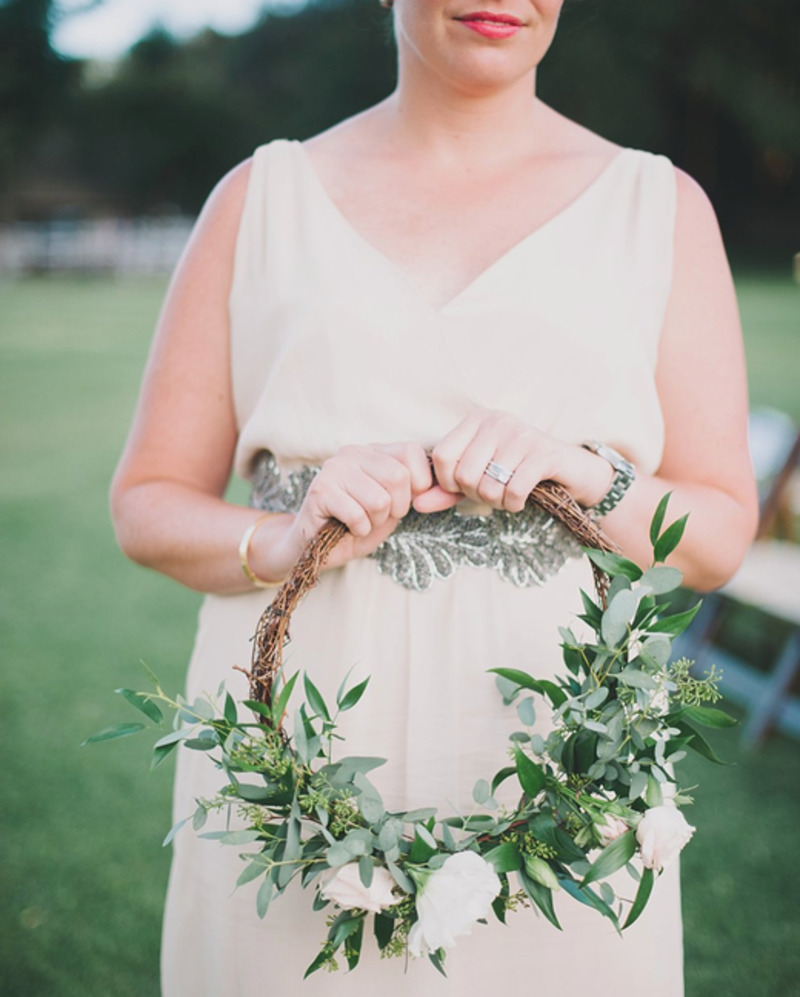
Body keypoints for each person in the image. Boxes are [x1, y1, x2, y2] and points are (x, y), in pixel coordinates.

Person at [110, 1, 758, 994]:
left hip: (562, 774)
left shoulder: (659, 208)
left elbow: (716, 537)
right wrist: (284, 538)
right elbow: (147, 501)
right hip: (294, 769)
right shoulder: (260, 200)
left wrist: (586, 472)